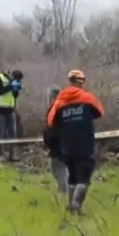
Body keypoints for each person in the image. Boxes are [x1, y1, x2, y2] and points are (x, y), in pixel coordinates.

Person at [46, 70, 105, 214]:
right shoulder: (87, 98)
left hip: (66, 146)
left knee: (72, 176)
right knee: (83, 177)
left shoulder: (59, 102)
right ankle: (76, 205)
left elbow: (50, 122)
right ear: (81, 82)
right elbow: (100, 112)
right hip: (85, 144)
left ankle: (71, 207)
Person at [0, 69, 24, 161]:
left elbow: (14, 95)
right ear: (12, 76)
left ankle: (12, 154)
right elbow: (0, 91)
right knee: (1, 132)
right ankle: (0, 154)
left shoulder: (13, 82)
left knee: (12, 132)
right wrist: (11, 86)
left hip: (10, 109)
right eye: (17, 79)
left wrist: (16, 88)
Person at [43, 85, 67, 193]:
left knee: (58, 170)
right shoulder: (67, 107)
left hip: (57, 145)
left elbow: (51, 129)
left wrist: (48, 143)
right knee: (64, 169)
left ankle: (64, 192)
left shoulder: (54, 109)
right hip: (69, 143)